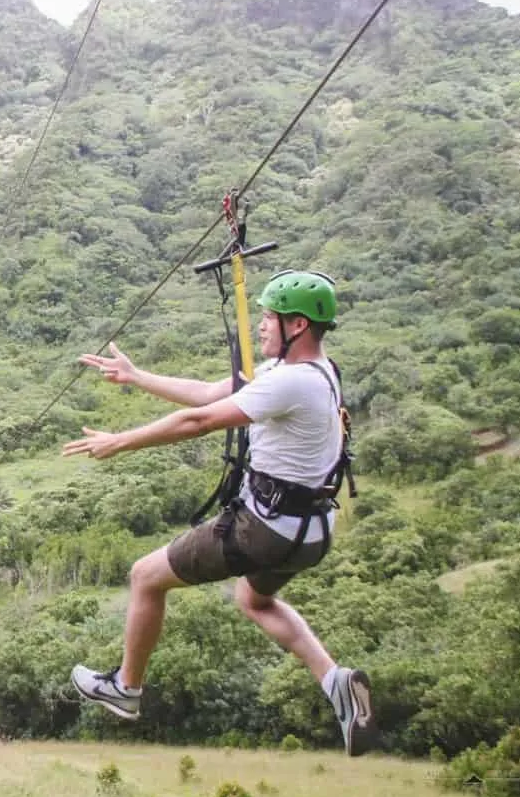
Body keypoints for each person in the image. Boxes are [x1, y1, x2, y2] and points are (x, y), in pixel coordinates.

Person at [60, 270, 375, 756]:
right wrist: (137, 377)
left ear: (297, 325)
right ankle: (335, 682)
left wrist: (119, 441)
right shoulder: (315, 373)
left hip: (264, 529)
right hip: (312, 532)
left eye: (270, 318)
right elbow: (209, 392)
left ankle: (126, 688)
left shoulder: (290, 382)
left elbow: (200, 420)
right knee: (254, 601)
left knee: (144, 576)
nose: (263, 326)